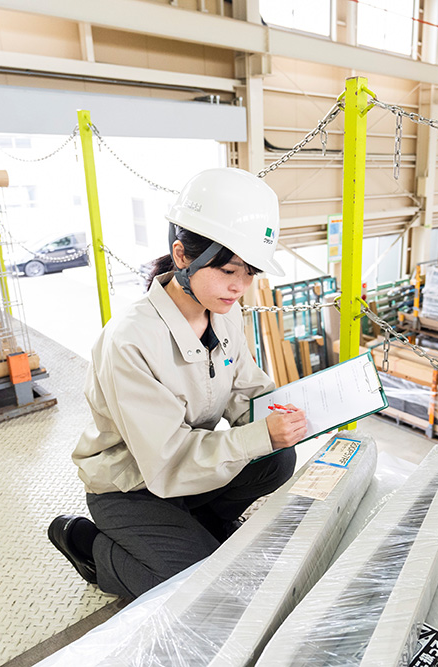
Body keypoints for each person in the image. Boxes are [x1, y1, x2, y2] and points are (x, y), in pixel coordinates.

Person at [48, 168, 308, 598]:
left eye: (249, 274)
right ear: (183, 256)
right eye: (227, 270)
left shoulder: (224, 313)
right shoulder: (131, 340)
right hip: (133, 485)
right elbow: (166, 460)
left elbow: (246, 390)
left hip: (188, 472)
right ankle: (89, 545)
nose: (239, 288)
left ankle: (200, 526)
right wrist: (257, 435)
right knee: (199, 589)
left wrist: (287, 412)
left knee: (278, 459)